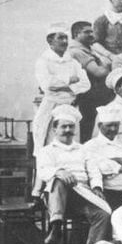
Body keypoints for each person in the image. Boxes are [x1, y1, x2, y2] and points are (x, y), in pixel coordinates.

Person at [37, 105, 111, 244]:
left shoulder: (83, 149)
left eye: (71, 126)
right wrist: (59, 172)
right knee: (58, 180)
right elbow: (43, 171)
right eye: (63, 127)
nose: (67, 130)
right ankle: (56, 226)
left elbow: (93, 171)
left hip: (83, 194)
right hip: (57, 196)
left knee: (103, 215)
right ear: (54, 129)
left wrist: (97, 187)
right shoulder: (46, 151)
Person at [34, 23, 91, 155]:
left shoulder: (73, 62)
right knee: (51, 144)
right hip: (51, 107)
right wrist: (69, 80)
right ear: (50, 41)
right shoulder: (43, 61)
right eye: (60, 38)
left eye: (66, 38)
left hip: (71, 106)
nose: (65, 41)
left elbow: (85, 84)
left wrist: (63, 87)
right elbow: (47, 84)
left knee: (72, 144)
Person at [84, 106, 122, 210]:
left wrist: (117, 160)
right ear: (100, 125)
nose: (113, 129)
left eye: (116, 125)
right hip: (111, 191)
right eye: (109, 125)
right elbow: (100, 168)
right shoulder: (91, 146)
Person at [68, 20, 113, 142]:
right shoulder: (78, 51)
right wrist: (109, 64)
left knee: (90, 124)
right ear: (76, 34)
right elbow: (99, 72)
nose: (91, 35)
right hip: (89, 94)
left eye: (91, 32)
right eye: (87, 32)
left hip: (91, 93)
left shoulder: (86, 49)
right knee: (88, 125)